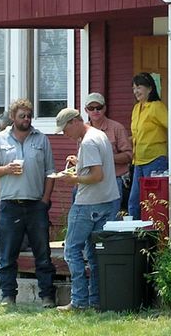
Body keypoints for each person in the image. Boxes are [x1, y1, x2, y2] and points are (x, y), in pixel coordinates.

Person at [0, 98, 57, 309]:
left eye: (28, 115)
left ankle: (47, 296)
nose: (26, 119)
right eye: (22, 116)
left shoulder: (41, 139)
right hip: (10, 204)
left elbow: (50, 173)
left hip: (36, 204)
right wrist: (6, 169)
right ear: (13, 117)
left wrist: (45, 200)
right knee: (7, 254)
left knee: (42, 254)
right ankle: (8, 296)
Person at [55, 108, 120, 311]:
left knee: (72, 250)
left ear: (75, 121)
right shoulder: (99, 135)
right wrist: (79, 163)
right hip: (108, 200)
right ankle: (96, 300)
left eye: (65, 129)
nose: (65, 134)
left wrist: (72, 179)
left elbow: (96, 175)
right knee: (94, 254)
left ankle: (79, 301)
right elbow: (97, 167)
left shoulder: (88, 141)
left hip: (88, 203)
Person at [84, 92, 132, 219]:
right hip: (90, 181)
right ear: (86, 110)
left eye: (99, 107)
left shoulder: (117, 128)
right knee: (88, 219)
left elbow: (128, 156)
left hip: (113, 180)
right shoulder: (83, 130)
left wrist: (107, 158)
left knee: (110, 219)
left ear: (104, 108)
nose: (95, 111)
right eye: (91, 108)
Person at [128, 72, 168, 220]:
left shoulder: (157, 107)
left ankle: (155, 237)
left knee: (153, 203)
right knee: (134, 202)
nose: (136, 91)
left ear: (150, 88)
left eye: (139, 87)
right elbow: (138, 134)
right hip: (138, 161)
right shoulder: (137, 108)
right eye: (133, 88)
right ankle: (136, 237)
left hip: (155, 160)